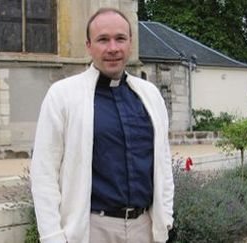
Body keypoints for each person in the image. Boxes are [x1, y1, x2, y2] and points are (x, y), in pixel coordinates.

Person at [30, 8, 174, 243]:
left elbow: (163, 162)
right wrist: (52, 237)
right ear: (88, 46)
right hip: (92, 230)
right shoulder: (63, 95)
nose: (113, 48)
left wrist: (165, 217)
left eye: (120, 38)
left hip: (144, 229)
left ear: (130, 43)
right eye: (103, 40)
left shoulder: (149, 95)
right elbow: (44, 173)